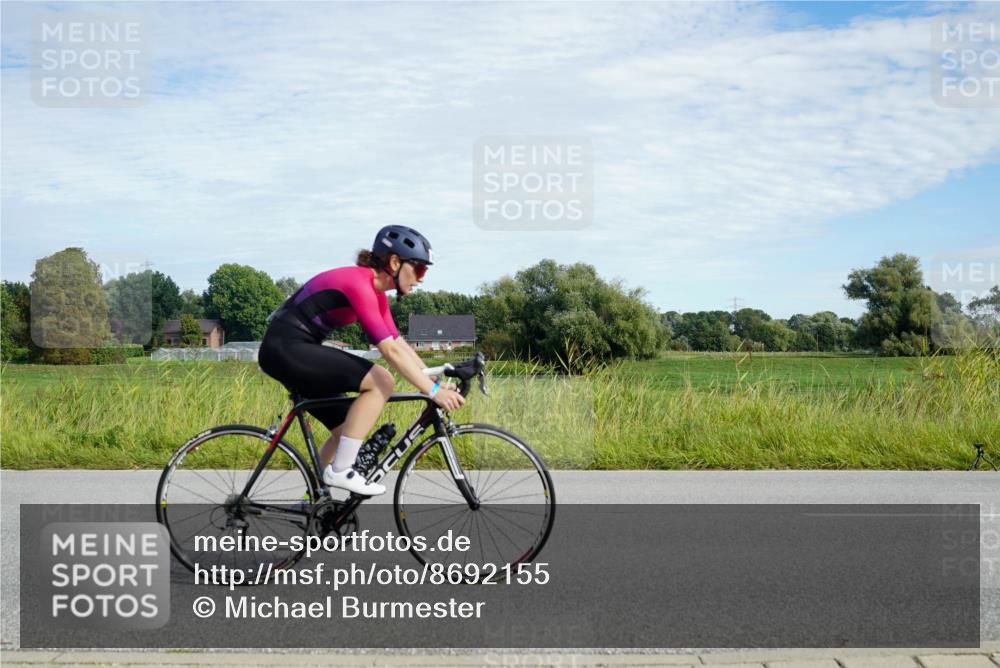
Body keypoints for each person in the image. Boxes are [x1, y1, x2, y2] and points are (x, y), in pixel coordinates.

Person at [257, 226, 465, 496]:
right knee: (381, 380)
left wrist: (433, 379)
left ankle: (315, 502)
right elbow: (389, 352)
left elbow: (398, 342)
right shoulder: (360, 285)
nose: (422, 278)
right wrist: (433, 392)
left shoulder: (377, 294)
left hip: (296, 349)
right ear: (394, 262)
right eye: (420, 269)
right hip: (285, 348)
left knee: (347, 429)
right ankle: (341, 470)